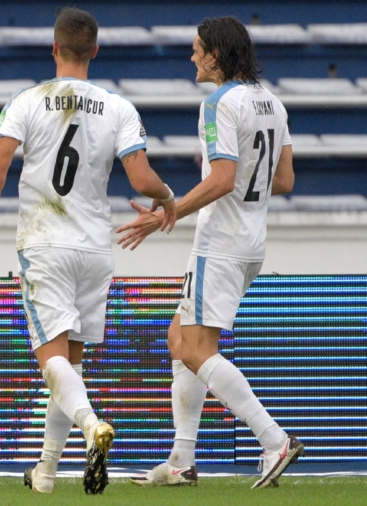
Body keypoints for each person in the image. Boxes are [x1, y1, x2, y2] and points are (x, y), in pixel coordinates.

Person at [0, 7, 177, 495]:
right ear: (95, 50)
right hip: (95, 249)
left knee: (50, 362)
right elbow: (142, 180)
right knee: (71, 366)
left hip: (45, 243)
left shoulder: (27, 100)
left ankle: (89, 426)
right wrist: (167, 199)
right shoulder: (118, 107)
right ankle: (44, 472)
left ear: (54, 48)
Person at [118, 16, 299, 489]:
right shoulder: (273, 103)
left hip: (219, 243)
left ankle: (274, 439)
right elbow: (284, 181)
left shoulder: (218, 103)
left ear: (216, 55)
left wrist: (166, 213)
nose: (192, 56)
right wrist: (244, 190)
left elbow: (221, 180)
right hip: (251, 242)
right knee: (179, 340)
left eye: (197, 49)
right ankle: (181, 461)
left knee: (197, 351)